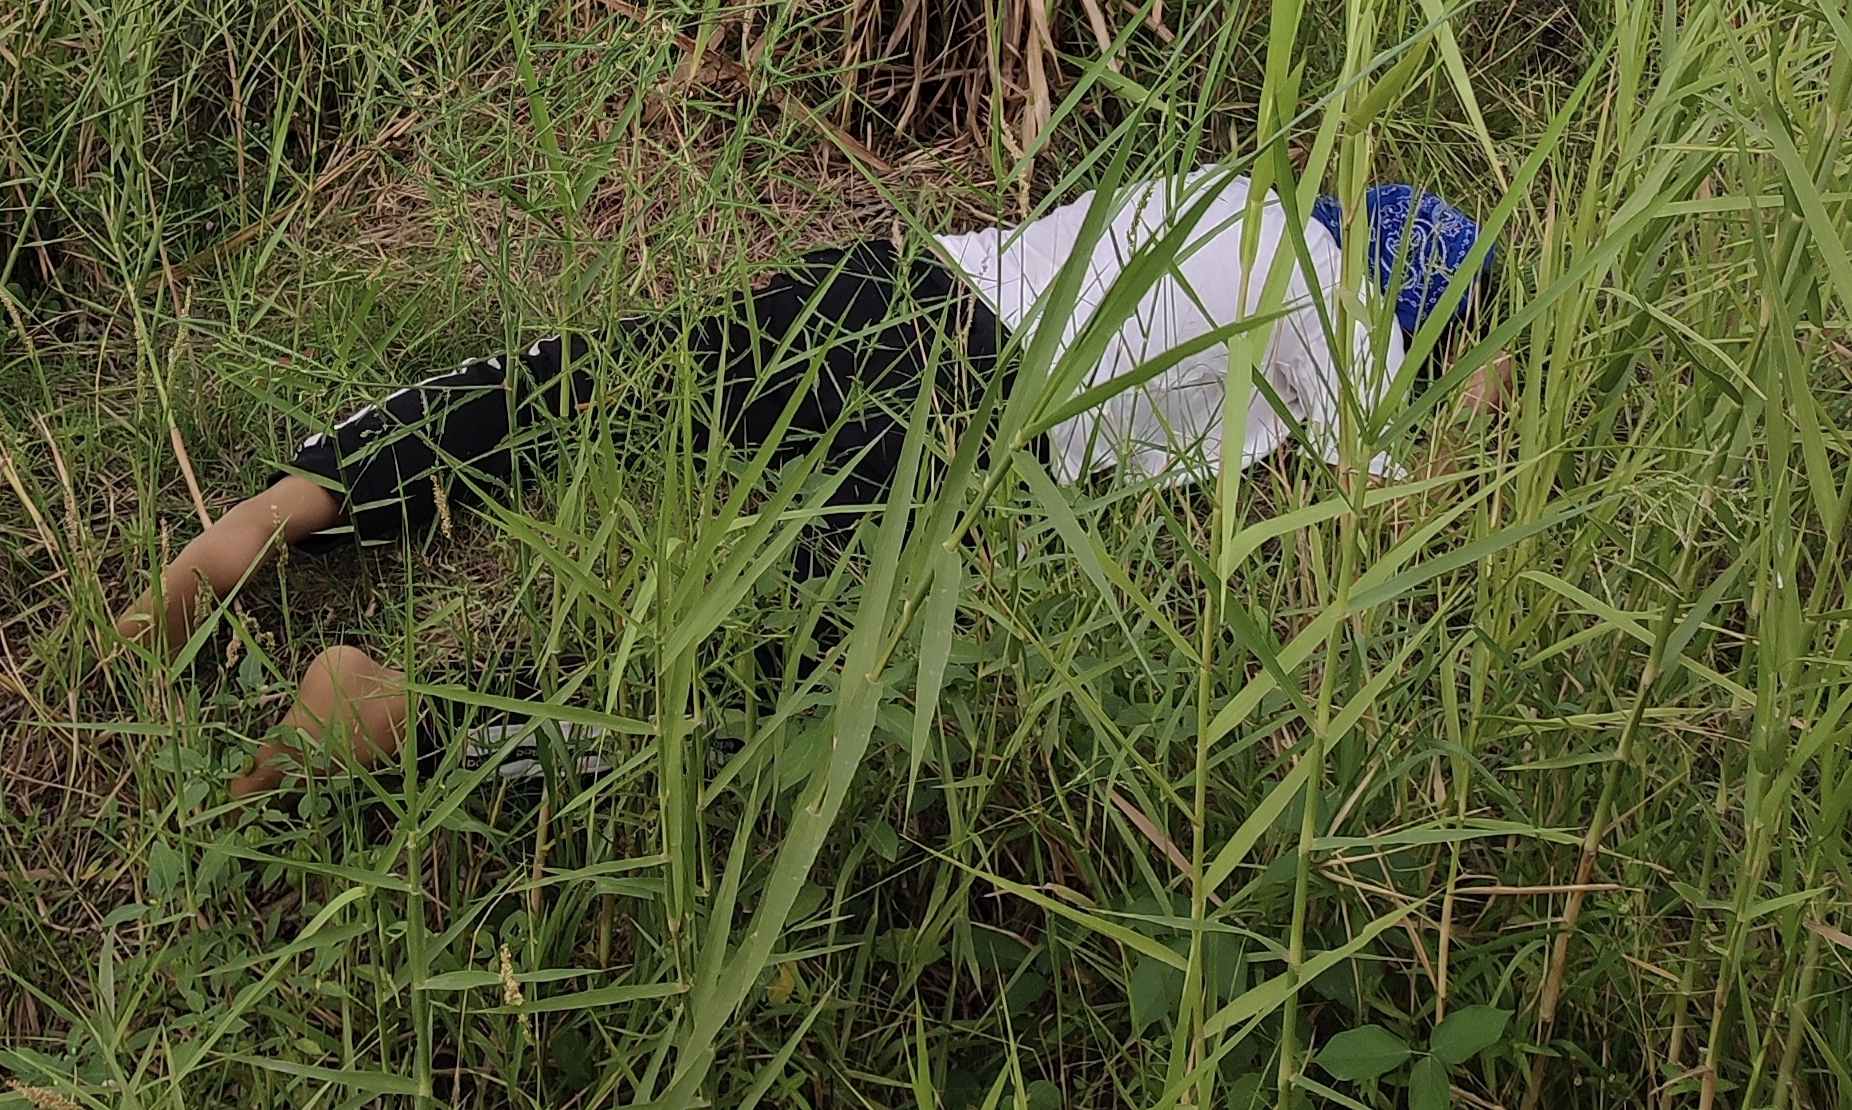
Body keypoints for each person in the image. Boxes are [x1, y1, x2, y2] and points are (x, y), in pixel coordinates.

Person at [114, 172, 1505, 795]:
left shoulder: (1233, 192)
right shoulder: (1360, 336)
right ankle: (411, 717)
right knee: (774, 710)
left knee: (609, 380)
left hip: (905, 277)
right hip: (966, 413)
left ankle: (289, 505)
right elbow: (1404, 502)